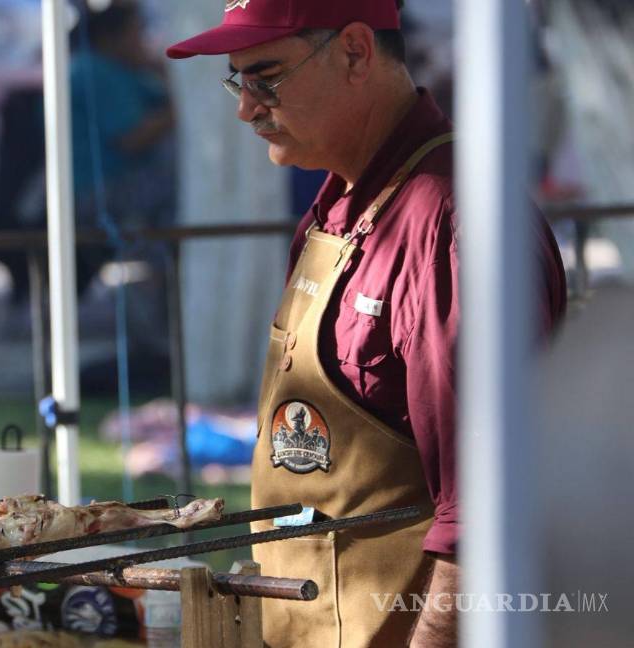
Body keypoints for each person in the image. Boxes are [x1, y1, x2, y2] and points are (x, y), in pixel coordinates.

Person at [166, 2, 566, 647]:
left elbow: (491, 506)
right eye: (238, 81)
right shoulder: (336, 207)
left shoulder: (454, 223)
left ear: (355, 50)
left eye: (267, 77)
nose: (246, 107)